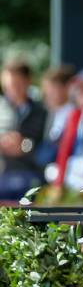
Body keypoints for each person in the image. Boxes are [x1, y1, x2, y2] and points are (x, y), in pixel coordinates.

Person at [0, 59, 47, 201]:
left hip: (31, 177)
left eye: (16, 85)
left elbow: (44, 143)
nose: (12, 90)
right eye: (7, 86)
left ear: (28, 82)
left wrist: (24, 146)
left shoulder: (42, 111)